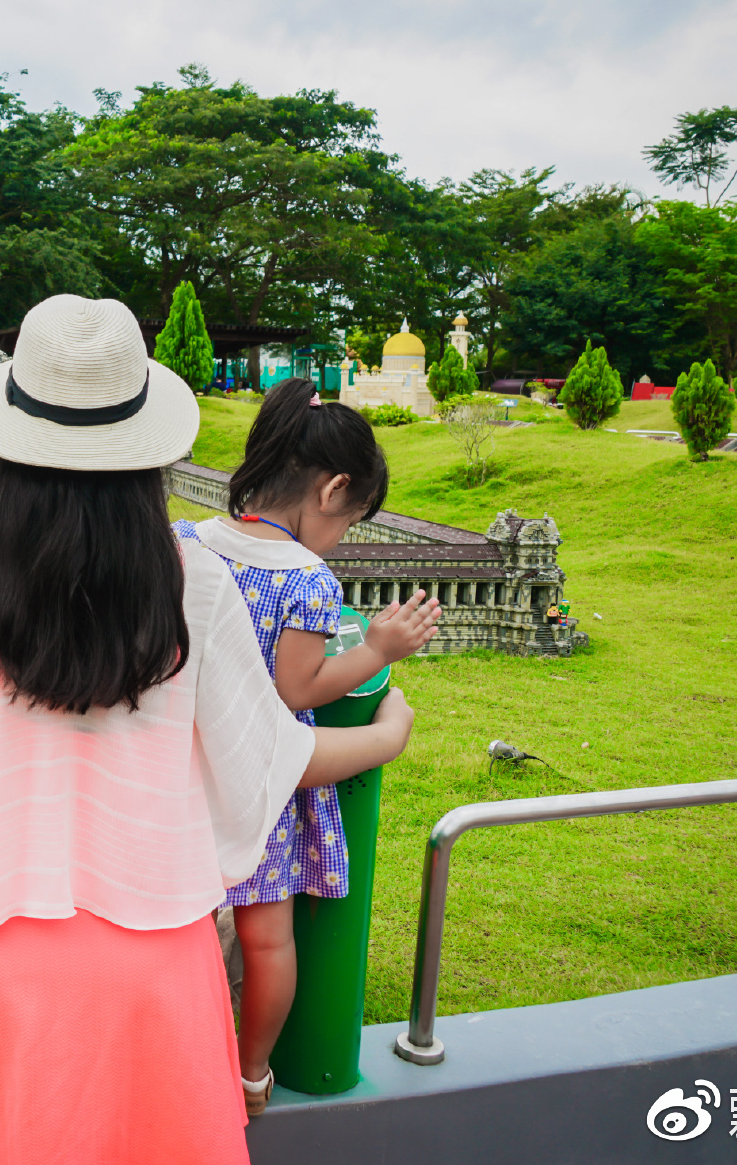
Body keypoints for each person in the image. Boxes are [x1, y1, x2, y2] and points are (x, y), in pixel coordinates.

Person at [0, 296, 417, 1164]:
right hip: (149, 959)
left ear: (7, 435)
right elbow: (260, 764)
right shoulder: (189, 582)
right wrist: (384, 736)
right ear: (143, 443)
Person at [171, 377, 439, 1114]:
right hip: (260, 791)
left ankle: (180, 1057)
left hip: (181, 777)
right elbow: (295, 690)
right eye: (349, 522)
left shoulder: (186, 541)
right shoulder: (309, 580)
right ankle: (252, 1074)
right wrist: (381, 647)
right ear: (333, 491)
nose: (340, 537)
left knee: (182, 930)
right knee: (267, 941)